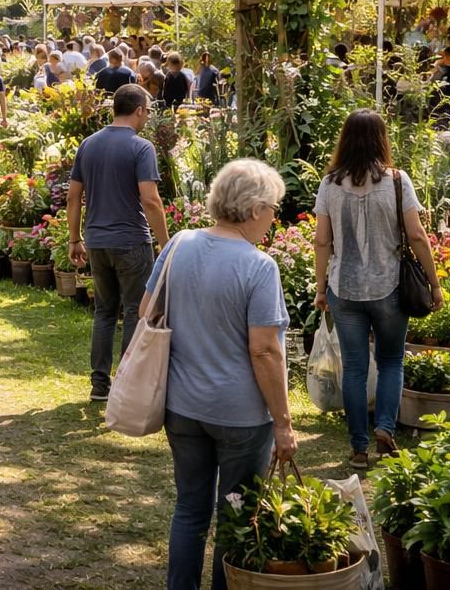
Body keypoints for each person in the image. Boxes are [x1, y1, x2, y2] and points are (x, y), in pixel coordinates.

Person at [153, 159, 297, 590]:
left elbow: (148, 312)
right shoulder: (258, 266)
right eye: (273, 207)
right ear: (254, 209)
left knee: (190, 509)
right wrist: (285, 423)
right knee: (236, 514)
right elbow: (265, 351)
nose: (275, 217)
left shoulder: (180, 243)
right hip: (240, 415)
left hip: (182, 405)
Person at [311, 109, 442, 469]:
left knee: (353, 368)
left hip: (345, 288)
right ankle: (385, 428)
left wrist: (321, 286)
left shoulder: (329, 184)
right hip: (389, 288)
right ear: (382, 139)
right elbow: (416, 235)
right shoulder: (398, 181)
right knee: (391, 360)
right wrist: (434, 283)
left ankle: (358, 448)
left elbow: (322, 241)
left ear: (345, 140)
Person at [67, 83, 169, 401]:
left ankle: (99, 384)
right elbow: (151, 200)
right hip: (131, 240)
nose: (148, 118)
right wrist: (165, 244)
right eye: (148, 111)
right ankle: (125, 384)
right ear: (138, 110)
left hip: (97, 241)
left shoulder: (89, 144)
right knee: (135, 311)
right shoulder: (141, 148)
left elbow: (73, 195)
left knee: (104, 312)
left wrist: (74, 238)